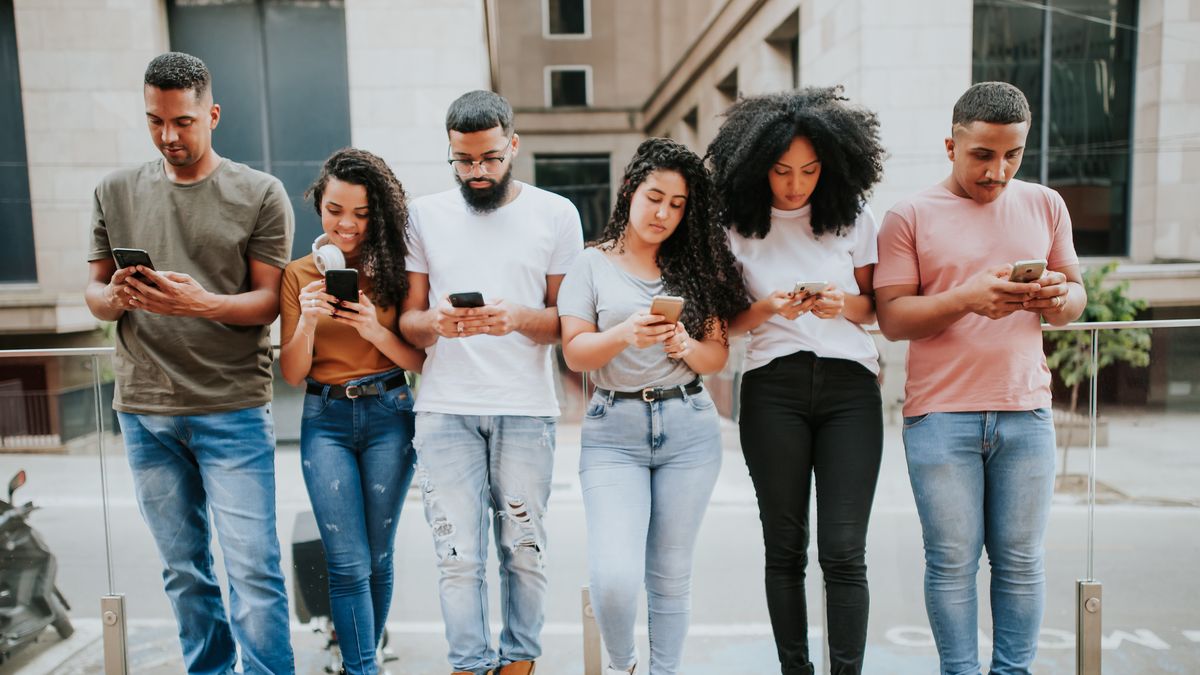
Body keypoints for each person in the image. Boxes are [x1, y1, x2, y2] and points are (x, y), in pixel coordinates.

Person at [84, 52, 294, 674]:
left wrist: (201, 303)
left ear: (212, 114)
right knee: (184, 573)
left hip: (230, 406)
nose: (169, 136)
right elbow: (93, 295)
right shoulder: (114, 190)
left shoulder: (259, 193)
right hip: (144, 411)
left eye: (183, 121)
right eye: (155, 122)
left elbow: (267, 305)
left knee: (253, 570)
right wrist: (118, 294)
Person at [874, 81, 1085, 675]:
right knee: (951, 562)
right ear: (951, 145)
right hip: (940, 416)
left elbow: (1076, 297)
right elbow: (892, 318)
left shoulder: (1046, 204)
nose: (998, 171)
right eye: (982, 155)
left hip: (1027, 411)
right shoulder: (908, 215)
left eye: (1012, 155)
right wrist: (966, 297)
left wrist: (1055, 295)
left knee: (1021, 561)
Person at [398, 90, 583, 675]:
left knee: (524, 552)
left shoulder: (556, 214)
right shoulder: (422, 214)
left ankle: (520, 663)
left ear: (514, 146)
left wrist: (517, 318)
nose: (477, 172)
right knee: (457, 556)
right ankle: (468, 666)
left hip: (525, 408)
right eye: (463, 160)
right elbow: (409, 319)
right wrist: (438, 322)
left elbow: (568, 324)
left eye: (489, 159)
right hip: (445, 407)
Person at [706, 87, 887, 675]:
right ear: (758, 166)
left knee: (843, 551)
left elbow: (876, 308)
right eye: (782, 171)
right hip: (771, 388)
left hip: (850, 391)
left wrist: (841, 304)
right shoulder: (735, 227)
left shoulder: (852, 218)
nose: (795, 184)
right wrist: (772, 309)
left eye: (809, 170)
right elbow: (727, 324)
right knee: (784, 550)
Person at [558, 138, 748, 675]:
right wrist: (624, 335)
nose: (664, 213)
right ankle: (625, 667)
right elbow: (575, 352)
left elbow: (715, 357)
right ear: (629, 191)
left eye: (678, 204)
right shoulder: (591, 264)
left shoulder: (698, 264)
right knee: (614, 578)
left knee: (669, 576)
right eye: (654, 197)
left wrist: (683, 347)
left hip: (688, 428)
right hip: (612, 431)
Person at [278, 148, 425, 674]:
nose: (347, 225)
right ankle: (362, 669)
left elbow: (416, 361)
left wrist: (372, 329)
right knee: (346, 563)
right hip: (326, 420)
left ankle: (365, 661)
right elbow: (293, 374)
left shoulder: (396, 271)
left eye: (362, 214)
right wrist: (309, 322)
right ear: (320, 204)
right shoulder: (297, 275)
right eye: (336, 210)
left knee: (378, 558)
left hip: (390, 411)